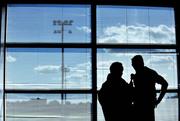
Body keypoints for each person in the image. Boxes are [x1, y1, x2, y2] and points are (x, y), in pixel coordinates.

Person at [131, 55, 168, 121]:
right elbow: (164, 83)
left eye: (134, 64)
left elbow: (165, 83)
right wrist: (158, 100)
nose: (133, 66)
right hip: (147, 105)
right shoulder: (149, 73)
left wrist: (158, 100)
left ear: (139, 63)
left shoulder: (147, 73)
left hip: (141, 106)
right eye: (133, 65)